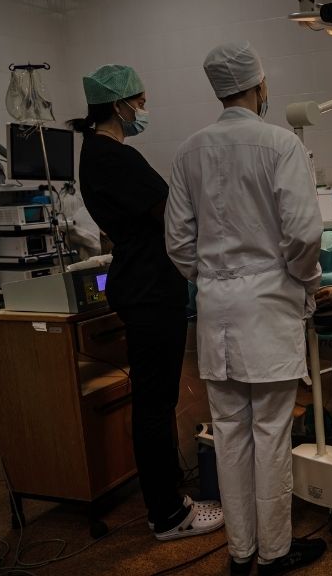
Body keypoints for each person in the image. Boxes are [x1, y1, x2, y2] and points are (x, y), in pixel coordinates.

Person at [165, 42, 326, 575]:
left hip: (217, 312)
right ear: (260, 85)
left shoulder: (189, 151)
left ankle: (241, 555)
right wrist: (303, 282)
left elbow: (178, 244)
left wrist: (212, 278)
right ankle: (275, 553)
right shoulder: (278, 144)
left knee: (230, 434)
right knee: (271, 434)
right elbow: (304, 234)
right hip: (270, 306)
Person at [69, 65, 224, 540]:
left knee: (155, 401)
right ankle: (168, 515)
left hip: (146, 286)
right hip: (149, 290)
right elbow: (171, 212)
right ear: (118, 104)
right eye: (139, 101)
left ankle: (169, 501)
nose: (142, 110)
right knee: (155, 404)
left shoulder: (102, 154)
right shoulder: (112, 157)